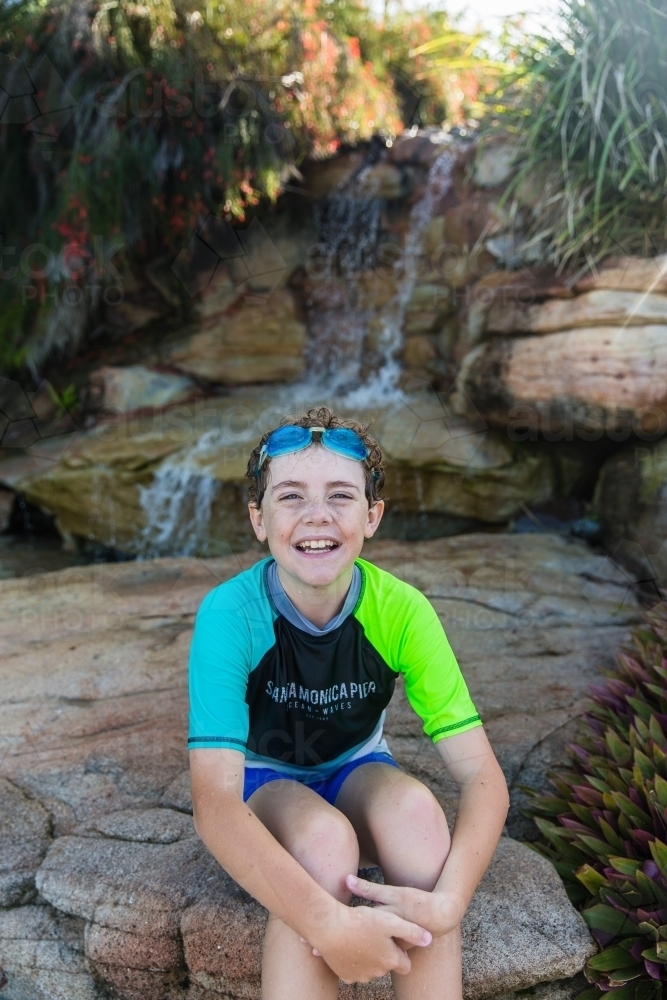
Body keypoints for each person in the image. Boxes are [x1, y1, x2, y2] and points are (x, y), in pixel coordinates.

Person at [188, 406, 509, 1000]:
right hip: (264, 781)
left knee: (419, 820)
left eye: (341, 495)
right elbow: (215, 806)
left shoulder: (402, 611)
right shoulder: (230, 616)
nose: (317, 515)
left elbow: (482, 777)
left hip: (356, 768)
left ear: (372, 515)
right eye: (290, 497)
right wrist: (328, 925)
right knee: (324, 841)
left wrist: (448, 904)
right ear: (258, 519)